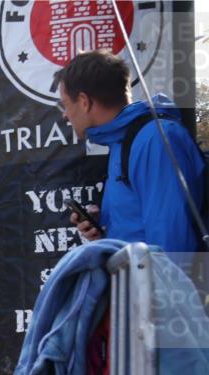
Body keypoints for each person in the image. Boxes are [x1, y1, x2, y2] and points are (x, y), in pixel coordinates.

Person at [56, 50, 204, 257]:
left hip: (159, 287)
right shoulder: (125, 140)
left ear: (83, 101)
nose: (64, 114)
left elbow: (172, 246)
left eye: (64, 104)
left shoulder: (155, 139)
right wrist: (108, 225)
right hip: (138, 284)